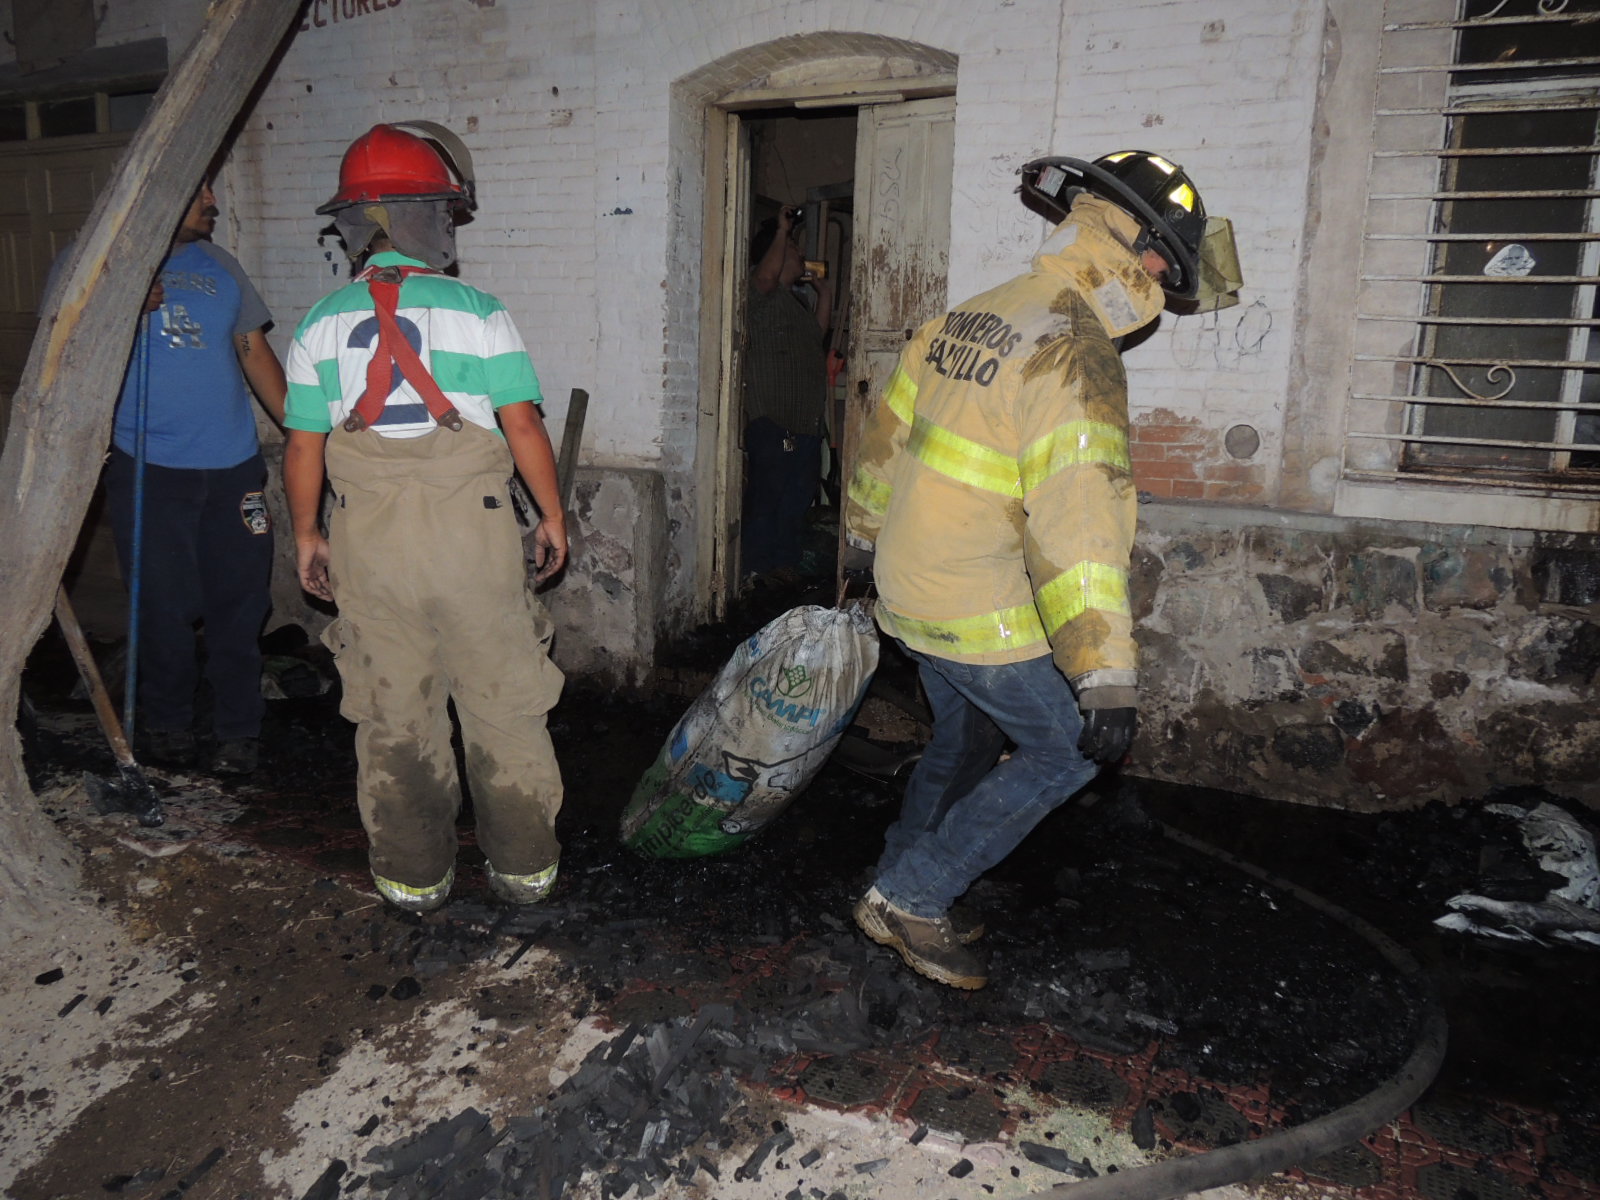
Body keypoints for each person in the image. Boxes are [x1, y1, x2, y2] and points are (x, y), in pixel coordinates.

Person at [842, 150, 1223, 990]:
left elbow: (885, 437)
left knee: (965, 734)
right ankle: (913, 895)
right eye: (1164, 257)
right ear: (1134, 247)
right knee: (1067, 752)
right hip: (972, 607)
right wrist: (1103, 673)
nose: (1162, 276)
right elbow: (1080, 522)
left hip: (908, 587)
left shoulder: (977, 312)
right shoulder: (1074, 351)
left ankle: (897, 876)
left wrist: (862, 538)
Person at [282, 123, 569, 914]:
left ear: (355, 227)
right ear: (430, 217)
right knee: (504, 704)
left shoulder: (317, 325)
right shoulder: (480, 312)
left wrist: (308, 535)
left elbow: (302, 447)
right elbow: (522, 427)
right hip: (470, 539)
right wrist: (552, 516)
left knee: (392, 713)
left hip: (368, 545)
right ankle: (522, 871)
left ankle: (413, 879)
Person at [104, 178, 287, 777]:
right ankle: (168, 723)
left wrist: (307, 437)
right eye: (200, 191)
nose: (213, 200)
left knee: (241, 604)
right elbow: (64, 343)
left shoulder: (220, 263)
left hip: (234, 468)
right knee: (163, 607)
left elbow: (252, 350)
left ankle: (239, 730)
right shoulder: (107, 264)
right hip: (150, 469)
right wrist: (122, 305)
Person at [741, 205, 833, 584]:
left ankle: (783, 569)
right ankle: (757, 571)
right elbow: (765, 277)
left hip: (805, 425)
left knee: (795, 500)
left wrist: (824, 293)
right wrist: (782, 229)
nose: (800, 257)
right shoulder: (760, 296)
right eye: (793, 251)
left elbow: (818, 334)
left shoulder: (795, 304)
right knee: (769, 501)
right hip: (775, 422)